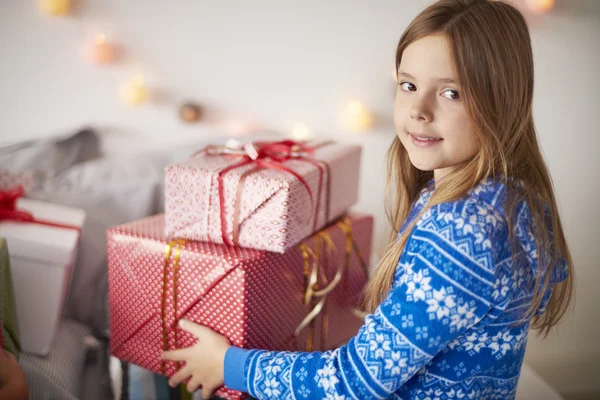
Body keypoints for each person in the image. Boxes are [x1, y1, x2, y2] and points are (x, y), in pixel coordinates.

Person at [161, 0, 574, 398]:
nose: (419, 110)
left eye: (452, 93)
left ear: (503, 102)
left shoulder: (462, 229)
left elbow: (352, 384)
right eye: (408, 85)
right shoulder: (513, 198)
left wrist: (228, 365)